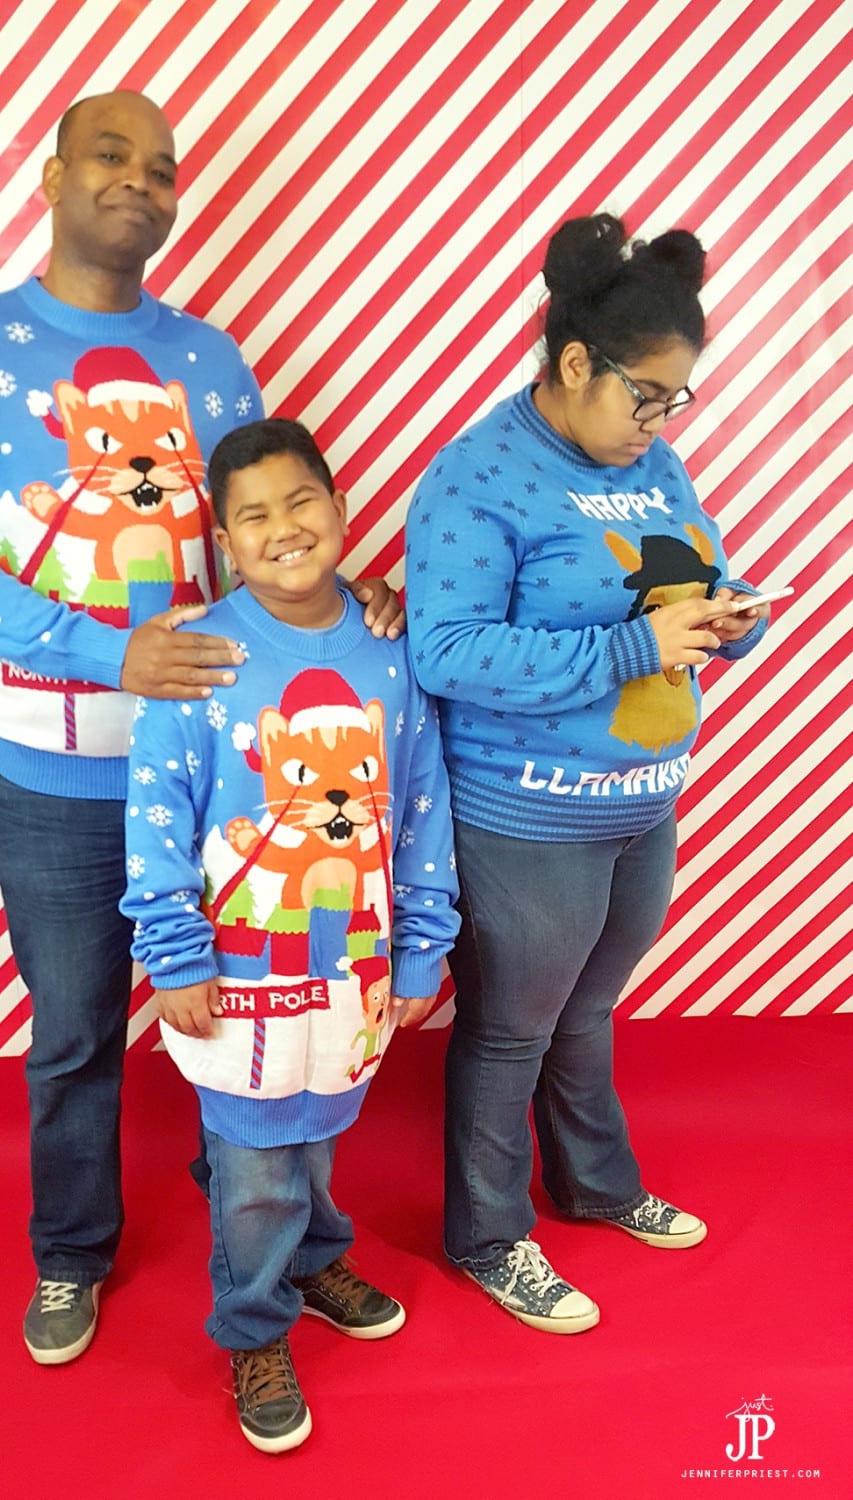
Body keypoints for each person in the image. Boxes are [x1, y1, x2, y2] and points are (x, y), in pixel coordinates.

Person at [0, 91, 401, 1367]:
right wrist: (105, 649)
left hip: (229, 770)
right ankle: (71, 1251)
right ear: (52, 174)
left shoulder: (212, 360)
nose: (140, 180)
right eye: (111, 155)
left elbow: (259, 539)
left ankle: (281, 1244)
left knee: (263, 1012)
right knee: (75, 1024)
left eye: (162, 167)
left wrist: (348, 603)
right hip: (54, 766)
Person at [405, 213, 770, 1335]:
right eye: (645, 397)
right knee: (512, 1027)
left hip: (640, 803)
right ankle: (487, 1235)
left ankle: (596, 1185)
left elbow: (690, 576)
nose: (660, 423)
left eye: (675, 400)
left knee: (589, 1008)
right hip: (525, 815)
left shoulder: (651, 464)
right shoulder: (476, 476)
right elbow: (445, 652)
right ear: (575, 364)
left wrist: (729, 618)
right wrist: (631, 648)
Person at [121, 418, 459, 1452]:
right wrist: (173, 955)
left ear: (340, 507)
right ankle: (254, 1326)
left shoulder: (392, 651)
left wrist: (422, 944)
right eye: (255, 516)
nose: (285, 529)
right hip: (234, 970)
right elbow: (155, 815)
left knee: (313, 1129)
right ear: (226, 541)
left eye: (301, 501)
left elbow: (422, 807)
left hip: (352, 963)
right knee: (257, 1160)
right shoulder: (202, 656)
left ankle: (312, 1259)